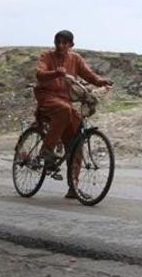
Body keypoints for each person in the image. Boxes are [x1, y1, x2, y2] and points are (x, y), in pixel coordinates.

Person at [33, 30, 112, 197]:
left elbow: (89, 74)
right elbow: (39, 74)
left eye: (64, 42)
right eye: (58, 42)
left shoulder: (75, 59)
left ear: (71, 45)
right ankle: (46, 151)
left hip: (65, 101)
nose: (60, 45)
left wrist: (100, 81)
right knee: (65, 109)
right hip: (47, 98)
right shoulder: (47, 56)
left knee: (77, 141)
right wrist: (55, 73)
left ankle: (73, 187)